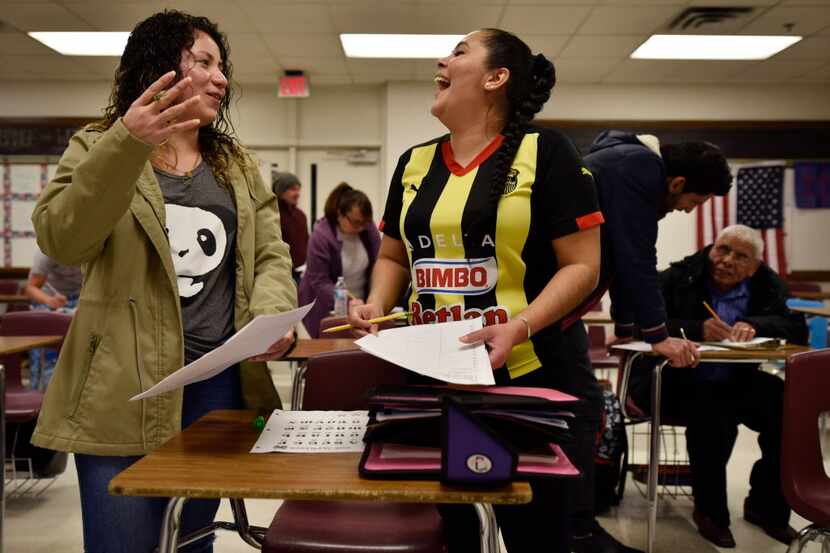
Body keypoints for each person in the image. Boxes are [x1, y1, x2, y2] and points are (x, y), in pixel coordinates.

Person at [29, 11, 297, 553]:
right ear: (159, 70)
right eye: (204, 62)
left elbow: (271, 253)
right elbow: (63, 238)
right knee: (120, 544)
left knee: (192, 543)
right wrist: (127, 143)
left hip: (217, 387)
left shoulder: (236, 165)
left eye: (222, 66)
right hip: (121, 387)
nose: (222, 78)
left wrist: (269, 314)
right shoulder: (96, 144)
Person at [349, 29, 605, 553]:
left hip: (529, 377)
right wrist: (377, 303)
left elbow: (583, 266)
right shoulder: (414, 162)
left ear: (496, 77)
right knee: (447, 533)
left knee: (537, 534)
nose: (442, 60)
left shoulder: (547, 152)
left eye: (460, 52)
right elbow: (395, 256)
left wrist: (522, 323)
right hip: (430, 380)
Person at [631, 225, 807, 549]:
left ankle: (766, 508)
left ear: (754, 266)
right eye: (722, 249)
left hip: (736, 378)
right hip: (681, 379)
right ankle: (711, 514)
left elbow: (796, 328)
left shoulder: (768, 285)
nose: (726, 260)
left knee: (789, 409)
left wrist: (756, 325)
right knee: (714, 417)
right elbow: (633, 321)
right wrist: (695, 327)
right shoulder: (680, 276)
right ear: (711, 248)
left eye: (740, 256)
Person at [299, 182, 379, 337]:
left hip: (360, 303)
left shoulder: (368, 229)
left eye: (365, 222)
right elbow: (320, 282)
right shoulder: (321, 236)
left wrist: (374, 299)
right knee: (331, 349)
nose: (361, 227)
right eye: (356, 222)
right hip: (326, 304)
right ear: (339, 214)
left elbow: (379, 263)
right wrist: (348, 303)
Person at [24, 245, 83, 390]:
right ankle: (38, 388)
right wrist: (50, 301)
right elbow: (30, 288)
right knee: (45, 342)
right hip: (49, 298)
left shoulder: (89, 249)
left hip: (79, 298)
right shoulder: (47, 251)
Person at [272, 171, 309, 284]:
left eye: (298, 189)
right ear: (280, 192)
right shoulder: (272, 216)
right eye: (292, 189)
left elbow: (306, 241)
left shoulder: (300, 215)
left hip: (300, 274)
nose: (297, 193)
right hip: (278, 275)